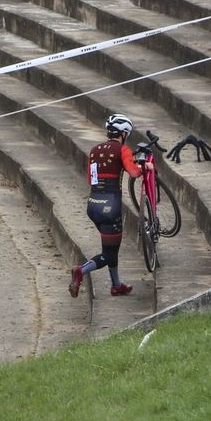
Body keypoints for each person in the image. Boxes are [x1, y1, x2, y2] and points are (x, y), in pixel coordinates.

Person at [68, 113, 150, 298]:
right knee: (109, 254)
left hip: (93, 205)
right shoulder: (122, 149)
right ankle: (81, 270)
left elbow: (91, 179)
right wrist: (146, 167)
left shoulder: (95, 150)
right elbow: (134, 173)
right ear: (124, 133)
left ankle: (116, 285)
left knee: (111, 248)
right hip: (110, 207)